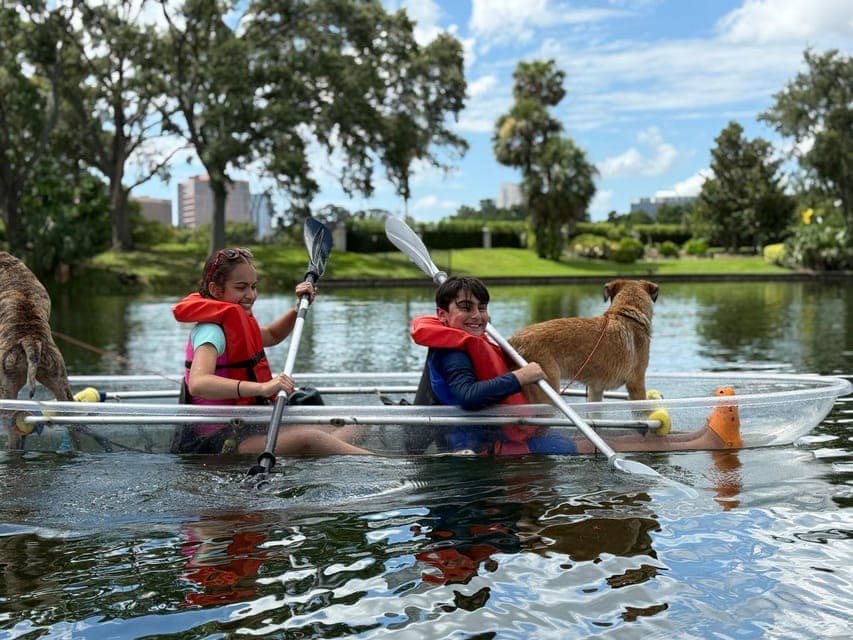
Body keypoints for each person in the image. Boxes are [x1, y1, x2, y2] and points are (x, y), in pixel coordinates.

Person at [410, 276, 742, 455]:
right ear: (442, 316)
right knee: (594, 444)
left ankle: (695, 436)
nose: (478, 315)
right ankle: (705, 442)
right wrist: (520, 376)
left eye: (481, 307)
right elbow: (468, 395)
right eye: (466, 308)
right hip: (490, 445)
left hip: (492, 434)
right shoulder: (453, 352)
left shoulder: (455, 343)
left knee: (593, 437)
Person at [171, 247, 370, 456]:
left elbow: (273, 335)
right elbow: (198, 383)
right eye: (241, 288)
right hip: (219, 440)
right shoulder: (210, 332)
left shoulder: (238, 324)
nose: (251, 295)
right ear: (216, 290)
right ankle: (384, 468)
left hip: (247, 426)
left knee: (355, 423)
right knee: (309, 438)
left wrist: (298, 308)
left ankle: (326, 457)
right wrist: (263, 388)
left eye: (254, 287)